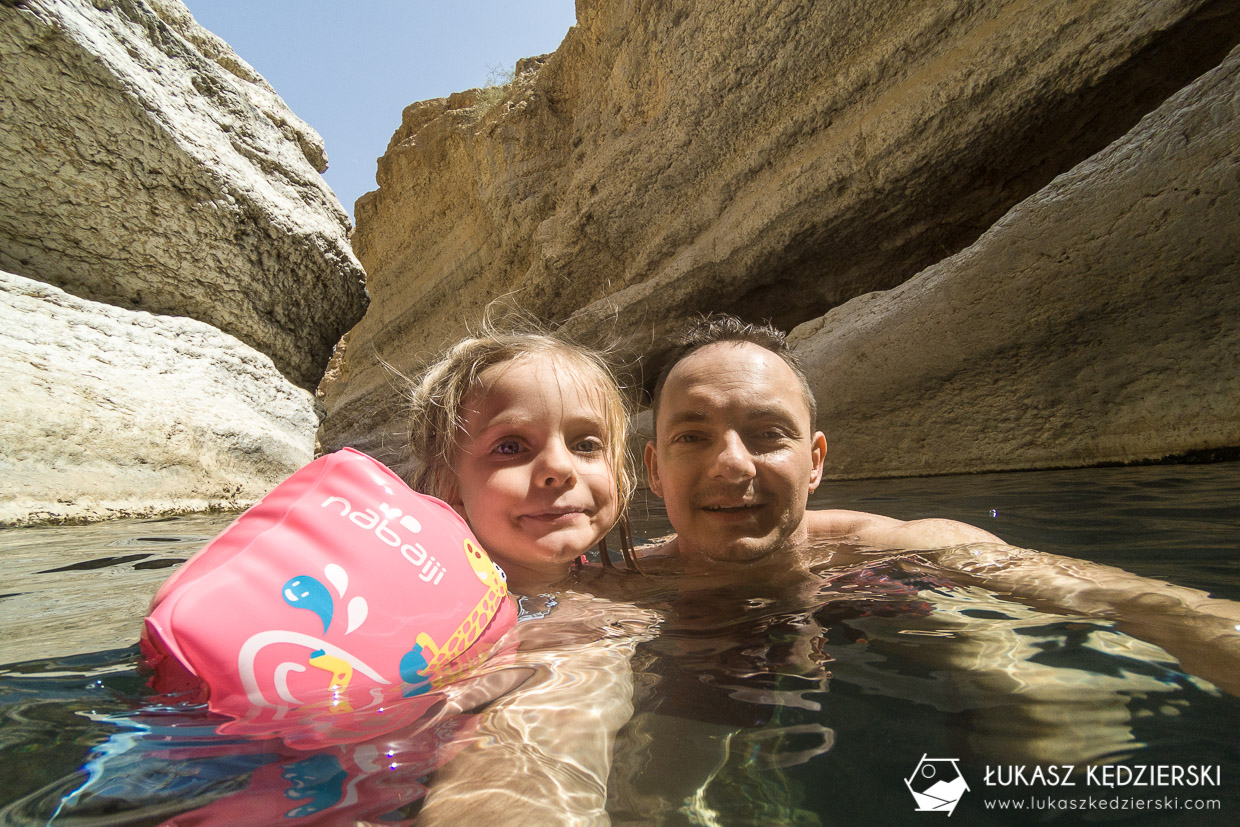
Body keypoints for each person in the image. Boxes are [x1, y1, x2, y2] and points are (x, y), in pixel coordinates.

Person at [642, 313, 1240, 696]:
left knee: (1050, 699)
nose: (733, 464)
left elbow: (1151, 607)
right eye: (691, 436)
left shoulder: (908, 548)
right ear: (653, 472)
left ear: (816, 461)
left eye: (768, 432)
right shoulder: (610, 585)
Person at [403, 321, 653, 825]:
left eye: (586, 444)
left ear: (620, 475)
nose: (559, 467)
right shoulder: (567, 630)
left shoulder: (614, 584)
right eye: (511, 446)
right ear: (448, 482)